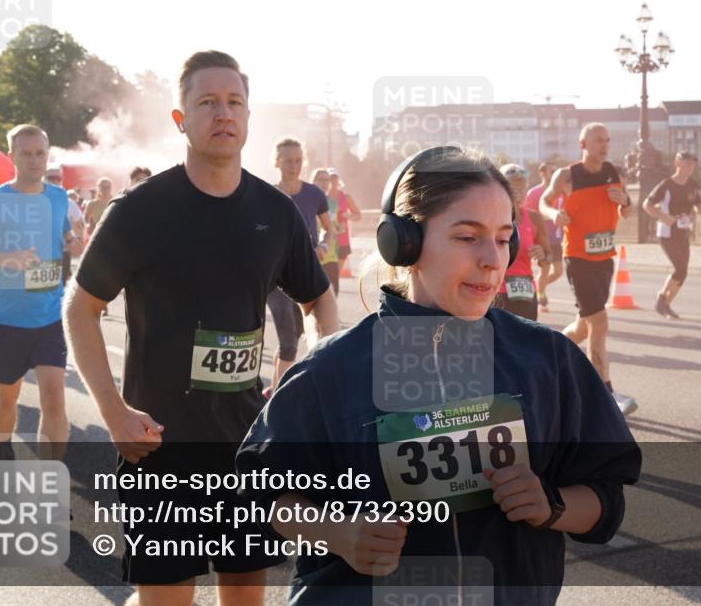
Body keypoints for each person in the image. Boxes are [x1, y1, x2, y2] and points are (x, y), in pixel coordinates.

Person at [236, 146, 641, 606]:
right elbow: (261, 491)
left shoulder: (550, 359)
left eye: (505, 237)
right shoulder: (330, 370)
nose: (493, 259)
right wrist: (340, 533)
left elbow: (606, 498)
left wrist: (552, 506)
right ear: (403, 241)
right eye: (468, 237)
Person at [64, 50, 338, 606]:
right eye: (207, 102)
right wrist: (113, 412)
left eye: (234, 101)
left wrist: (310, 385)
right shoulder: (141, 210)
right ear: (180, 118)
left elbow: (320, 303)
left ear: (248, 115)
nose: (223, 113)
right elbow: (80, 308)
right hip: (159, 445)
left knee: (244, 594)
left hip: (248, 444)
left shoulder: (275, 211)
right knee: (167, 599)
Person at [0, 124, 83, 460]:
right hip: (5, 318)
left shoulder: (57, 198)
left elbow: (66, 236)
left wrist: (75, 241)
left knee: (54, 397)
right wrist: (5, 258)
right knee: (6, 396)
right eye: (26, 153)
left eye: (40, 153)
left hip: (50, 316)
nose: (34, 160)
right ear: (11, 156)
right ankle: (4, 448)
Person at [540, 123, 638, 416]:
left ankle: (548, 356)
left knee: (585, 325)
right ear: (583, 144)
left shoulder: (616, 172)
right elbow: (544, 201)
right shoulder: (567, 175)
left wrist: (627, 202)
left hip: (604, 257)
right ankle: (605, 393)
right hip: (579, 258)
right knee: (599, 322)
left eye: (607, 140)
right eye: (598, 140)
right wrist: (554, 213)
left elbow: (627, 211)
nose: (604, 145)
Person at [266, 138, 336, 389]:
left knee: (295, 337)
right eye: (287, 161)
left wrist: (322, 246)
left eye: (298, 160)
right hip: (275, 278)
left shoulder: (314, 193)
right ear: (276, 162)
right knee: (289, 342)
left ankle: (272, 389)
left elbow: (329, 230)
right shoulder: (267, 195)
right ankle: (276, 401)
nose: (294, 166)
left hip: (303, 274)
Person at [643, 151, 701, 320]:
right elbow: (647, 205)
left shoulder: (693, 185)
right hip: (667, 233)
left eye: (693, 164)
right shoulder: (666, 185)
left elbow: (700, 211)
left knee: (683, 272)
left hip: (683, 232)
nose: (690, 167)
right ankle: (662, 300)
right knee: (679, 267)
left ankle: (664, 303)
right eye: (687, 163)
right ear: (677, 163)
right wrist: (664, 217)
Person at [493, 164, 550, 320]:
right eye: (513, 185)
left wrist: (542, 254)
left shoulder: (535, 218)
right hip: (495, 292)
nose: (518, 190)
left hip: (525, 292)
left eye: (522, 185)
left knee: (527, 342)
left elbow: (547, 259)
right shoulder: (489, 218)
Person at [524, 162, 563, 313]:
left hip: (556, 237)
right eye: (550, 171)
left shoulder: (558, 192)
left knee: (558, 271)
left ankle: (538, 287)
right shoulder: (534, 193)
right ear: (542, 173)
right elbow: (528, 215)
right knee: (545, 269)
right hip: (541, 238)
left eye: (554, 170)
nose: (553, 173)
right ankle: (541, 298)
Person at [46, 166, 85, 283]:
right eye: (51, 177)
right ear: (44, 178)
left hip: (63, 251)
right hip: (41, 252)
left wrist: (77, 242)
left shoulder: (69, 203)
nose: (55, 180)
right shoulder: (34, 200)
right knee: (39, 290)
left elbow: (79, 225)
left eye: (58, 178)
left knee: (60, 287)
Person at [311, 168, 341, 294]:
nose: (324, 183)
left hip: (331, 254)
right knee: (315, 296)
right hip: (313, 255)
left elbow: (332, 225)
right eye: (321, 180)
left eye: (327, 180)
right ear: (313, 182)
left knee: (334, 293)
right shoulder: (308, 201)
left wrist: (338, 228)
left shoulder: (333, 203)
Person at [327, 168, 362, 270]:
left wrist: (349, 216)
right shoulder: (322, 197)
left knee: (336, 275)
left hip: (342, 238)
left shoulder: (346, 197)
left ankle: (334, 285)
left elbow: (358, 215)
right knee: (327, 273)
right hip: (327, 239)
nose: (333, 181)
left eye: (335, 178)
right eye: (330, 178)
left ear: (338, 180)